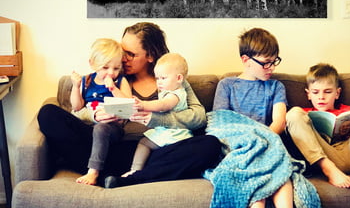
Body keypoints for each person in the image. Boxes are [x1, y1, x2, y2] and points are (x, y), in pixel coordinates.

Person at [37, 22, 221, 186]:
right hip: (108, 148)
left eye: (130, 54)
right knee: (48, 113)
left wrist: (156, 118)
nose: (122, 59)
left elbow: (198, 117)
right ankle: (101, 171)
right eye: (122, 51)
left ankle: (128, 179)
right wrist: (94, 115)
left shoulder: (170, 79)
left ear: (150, 56)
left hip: (152, 152)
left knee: (210, 145)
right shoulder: (113, 77)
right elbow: (75, 111)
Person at [211, 28, 303, 208]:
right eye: (265, 63)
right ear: (246, 60)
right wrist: (251, 143)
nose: (271, 68)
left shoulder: (275, 86)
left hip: (269, 141)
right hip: (238, 145)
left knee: (281, 167)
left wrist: (265, 142)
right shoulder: (227, 85)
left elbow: (279, 121)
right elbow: (220, 123)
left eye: (274, 62)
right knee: (250, 167)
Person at [286, 63, 350, 190]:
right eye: (315, 92)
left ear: (337, 93)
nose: (321, 97)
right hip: (323, 156)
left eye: (328, 92)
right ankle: (329, 170)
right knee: (293, 113)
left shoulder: (348, 110)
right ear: (308, 94)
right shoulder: (303, 114)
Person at [70, 38, 132, 185]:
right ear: (92, 64)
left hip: (112, 129)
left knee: (101, 128)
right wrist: (75, 86)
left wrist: (113, 89)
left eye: (116, 68)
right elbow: (76, 107)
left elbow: (128, 106)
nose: (111, 73)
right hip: (88, 127)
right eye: (105, 68)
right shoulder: (87, 81)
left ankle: (93, 172)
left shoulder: (120, 81)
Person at [121, 52, 193, 177]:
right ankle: (136, 170)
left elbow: (164, 105)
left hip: (173, 133)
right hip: (166, 131)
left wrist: (143, 105)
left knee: (144, 143)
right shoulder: (168, 91)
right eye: (157, 78)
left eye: (163, 78)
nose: (159, 82)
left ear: (179, 78)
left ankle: (136, 170)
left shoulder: (175, 94)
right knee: (145, 142)